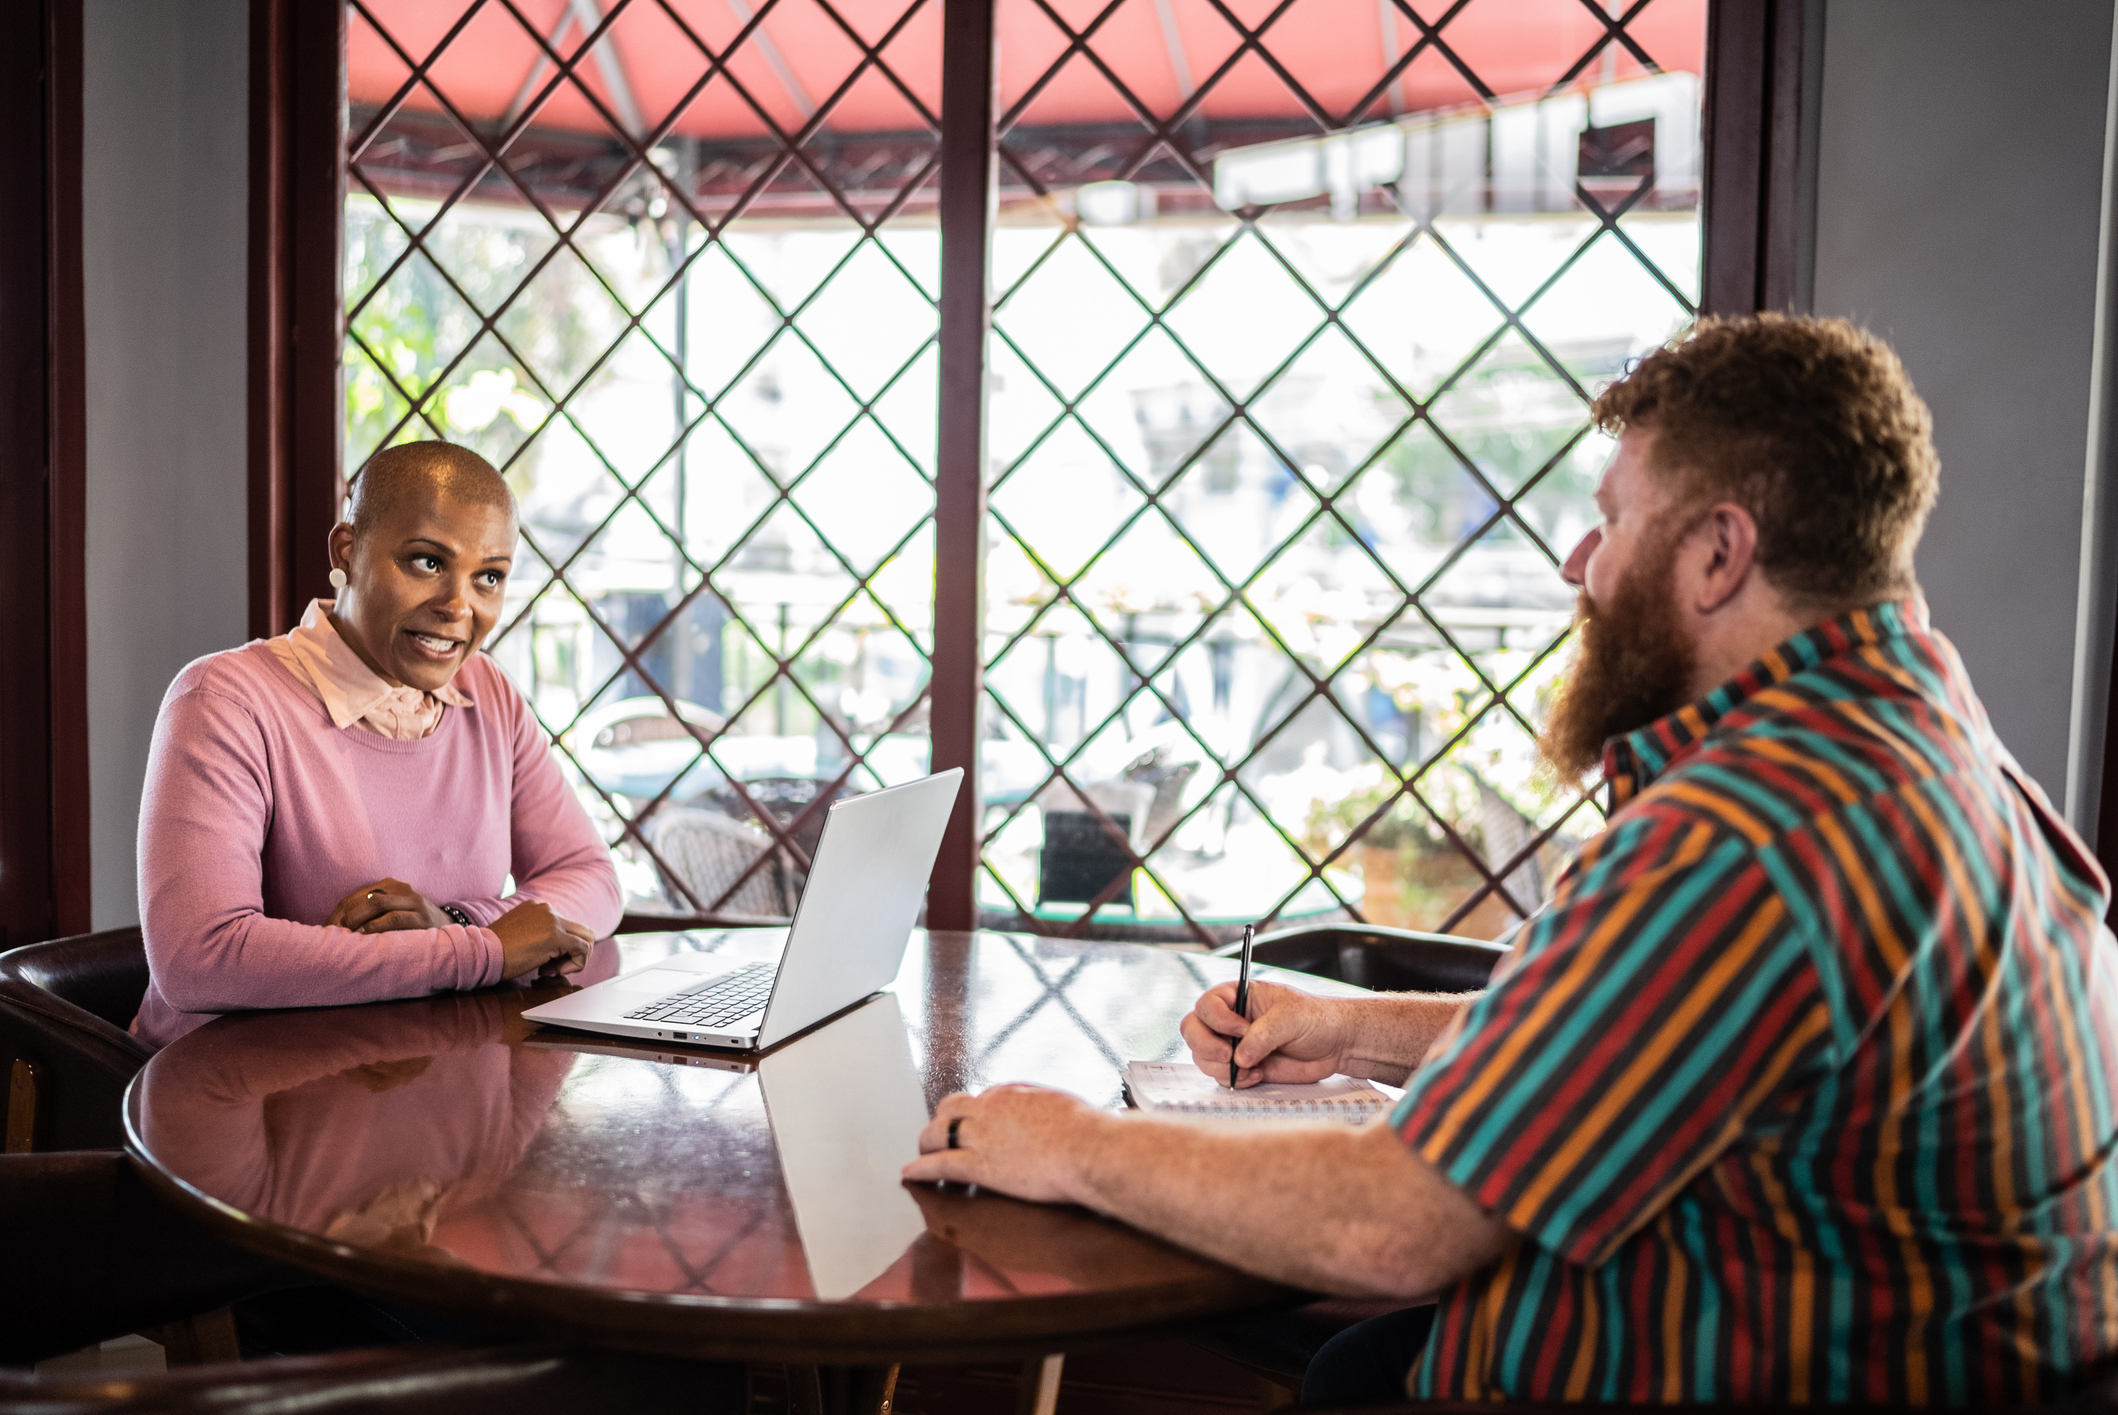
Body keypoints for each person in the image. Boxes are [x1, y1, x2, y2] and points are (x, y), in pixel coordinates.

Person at [904, 315, 2118, 1406]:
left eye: (1612, 518)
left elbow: (1394, 1228)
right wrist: (1354, 1027)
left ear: (1717, 552)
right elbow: (1637, 1029)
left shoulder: (1752, 829)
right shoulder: (1923, 736)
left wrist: (1065, 1139)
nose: (1577, 564)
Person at [134, 442, 621, 1048]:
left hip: (415, 1071)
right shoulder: (225, 700)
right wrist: (480, 951)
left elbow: (592, 878)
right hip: (229, 1092)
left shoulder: (488, 692)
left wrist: (461, 922)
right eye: (426, 562)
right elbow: (199, 959)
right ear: (347, 552)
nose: (457, 606)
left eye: (488, 576)